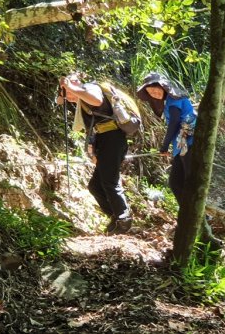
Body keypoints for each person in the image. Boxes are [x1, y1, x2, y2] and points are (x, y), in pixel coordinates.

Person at [58, 73, 132, 235]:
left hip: (113, 139)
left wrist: (71, 87)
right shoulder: (82, 100)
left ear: (76, 83)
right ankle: (116, 216)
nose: (68, 96)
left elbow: (97, 100)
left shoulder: (89, 88)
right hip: (105, 140)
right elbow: (61, 102)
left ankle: (123, 218)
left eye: (67, 92)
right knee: (95, 186)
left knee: (109, 182)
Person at [136, 72, 196, 204]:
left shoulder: (174, 99)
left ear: (163, 86)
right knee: (175, 183)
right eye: (150, 92)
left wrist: (164, 145)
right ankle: (187, 215)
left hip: (189, 143)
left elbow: (174, 122)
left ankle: (199, 216)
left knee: (189, 181)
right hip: (181, 146)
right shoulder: (169, 100)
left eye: (155, 89)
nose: (154, 93)